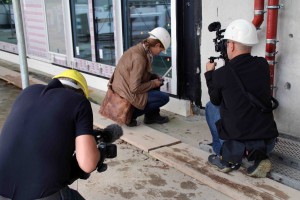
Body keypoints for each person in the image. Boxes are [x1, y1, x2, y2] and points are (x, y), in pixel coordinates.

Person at [0, 69, 100, 199]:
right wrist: (99, 154)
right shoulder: (80, 102)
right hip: (40, 195)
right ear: (81, 92)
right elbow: (88, 164)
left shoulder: (28, 91)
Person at [204, 19, 279, 177]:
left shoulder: (221, 74)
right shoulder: (263, 65)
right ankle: (258, 156)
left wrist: (209, 74)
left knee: (211, 106)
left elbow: (216, 100)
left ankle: (223, 156)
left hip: (236, 147)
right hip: (268, 143)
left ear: (230, 45)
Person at [112, 27, 171, 127]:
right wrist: (154, 83)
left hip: (122, 94)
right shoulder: (140, 58)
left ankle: (151, 117)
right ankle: (129, 116)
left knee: (154, 80)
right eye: (161, 49)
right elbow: (134, 88)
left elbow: (137, 74)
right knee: (164, 98)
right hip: (125, 99)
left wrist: (153, 77)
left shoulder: (141, 49)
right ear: (157, 45)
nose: (160, 52)